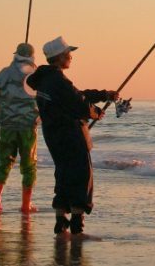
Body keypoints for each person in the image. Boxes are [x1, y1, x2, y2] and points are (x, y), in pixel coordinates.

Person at [26, 36, 117, 236]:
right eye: (68, 53)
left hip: (53, 135)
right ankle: (77, 225)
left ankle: (61, 220)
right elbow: (80, 104)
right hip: (71, 136)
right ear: (59, 57)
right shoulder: (58, 80)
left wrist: (103, 95)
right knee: (82, 177)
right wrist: (96, 112)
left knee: (64, 175)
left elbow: (76, 94)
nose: (71, 57)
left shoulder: (46, 79)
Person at [0, 42, 41, 214]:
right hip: (28, 126)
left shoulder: (4, 73)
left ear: (16, 55)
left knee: (4, 162)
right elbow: (44, 99)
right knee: (29, 165)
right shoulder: (36, 74)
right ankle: (26, 205)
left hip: (7, 125)